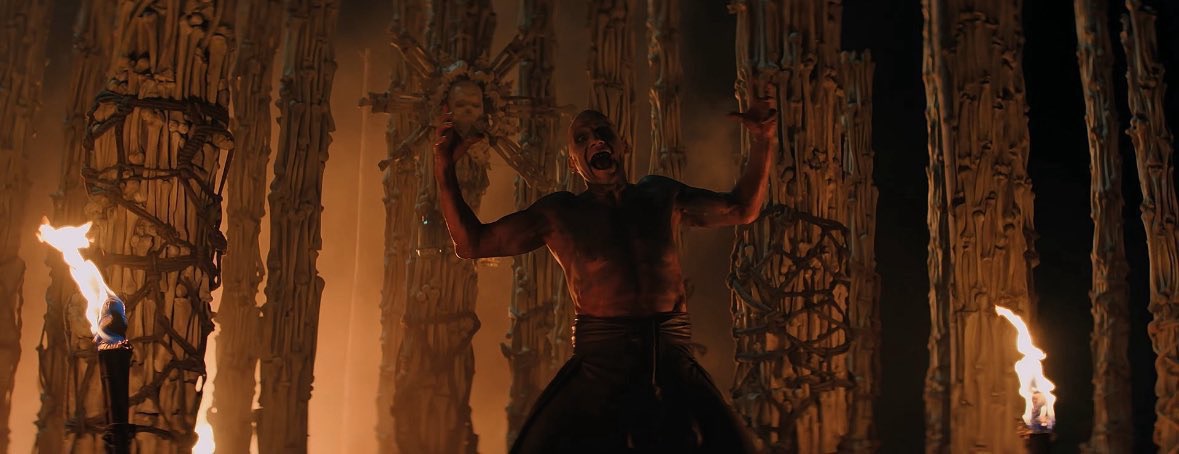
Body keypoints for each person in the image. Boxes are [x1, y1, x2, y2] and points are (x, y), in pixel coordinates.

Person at [433, 98, 776, 453]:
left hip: (672, 357)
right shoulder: (559, 213)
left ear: (622, 145)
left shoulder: (660, 195)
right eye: (582, 139)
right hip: (601, 363)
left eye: (602, 132)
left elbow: (742, 209)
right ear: (573, 163)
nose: (595, 139)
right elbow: (471, 243)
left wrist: (763, 139)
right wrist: (444, 167)